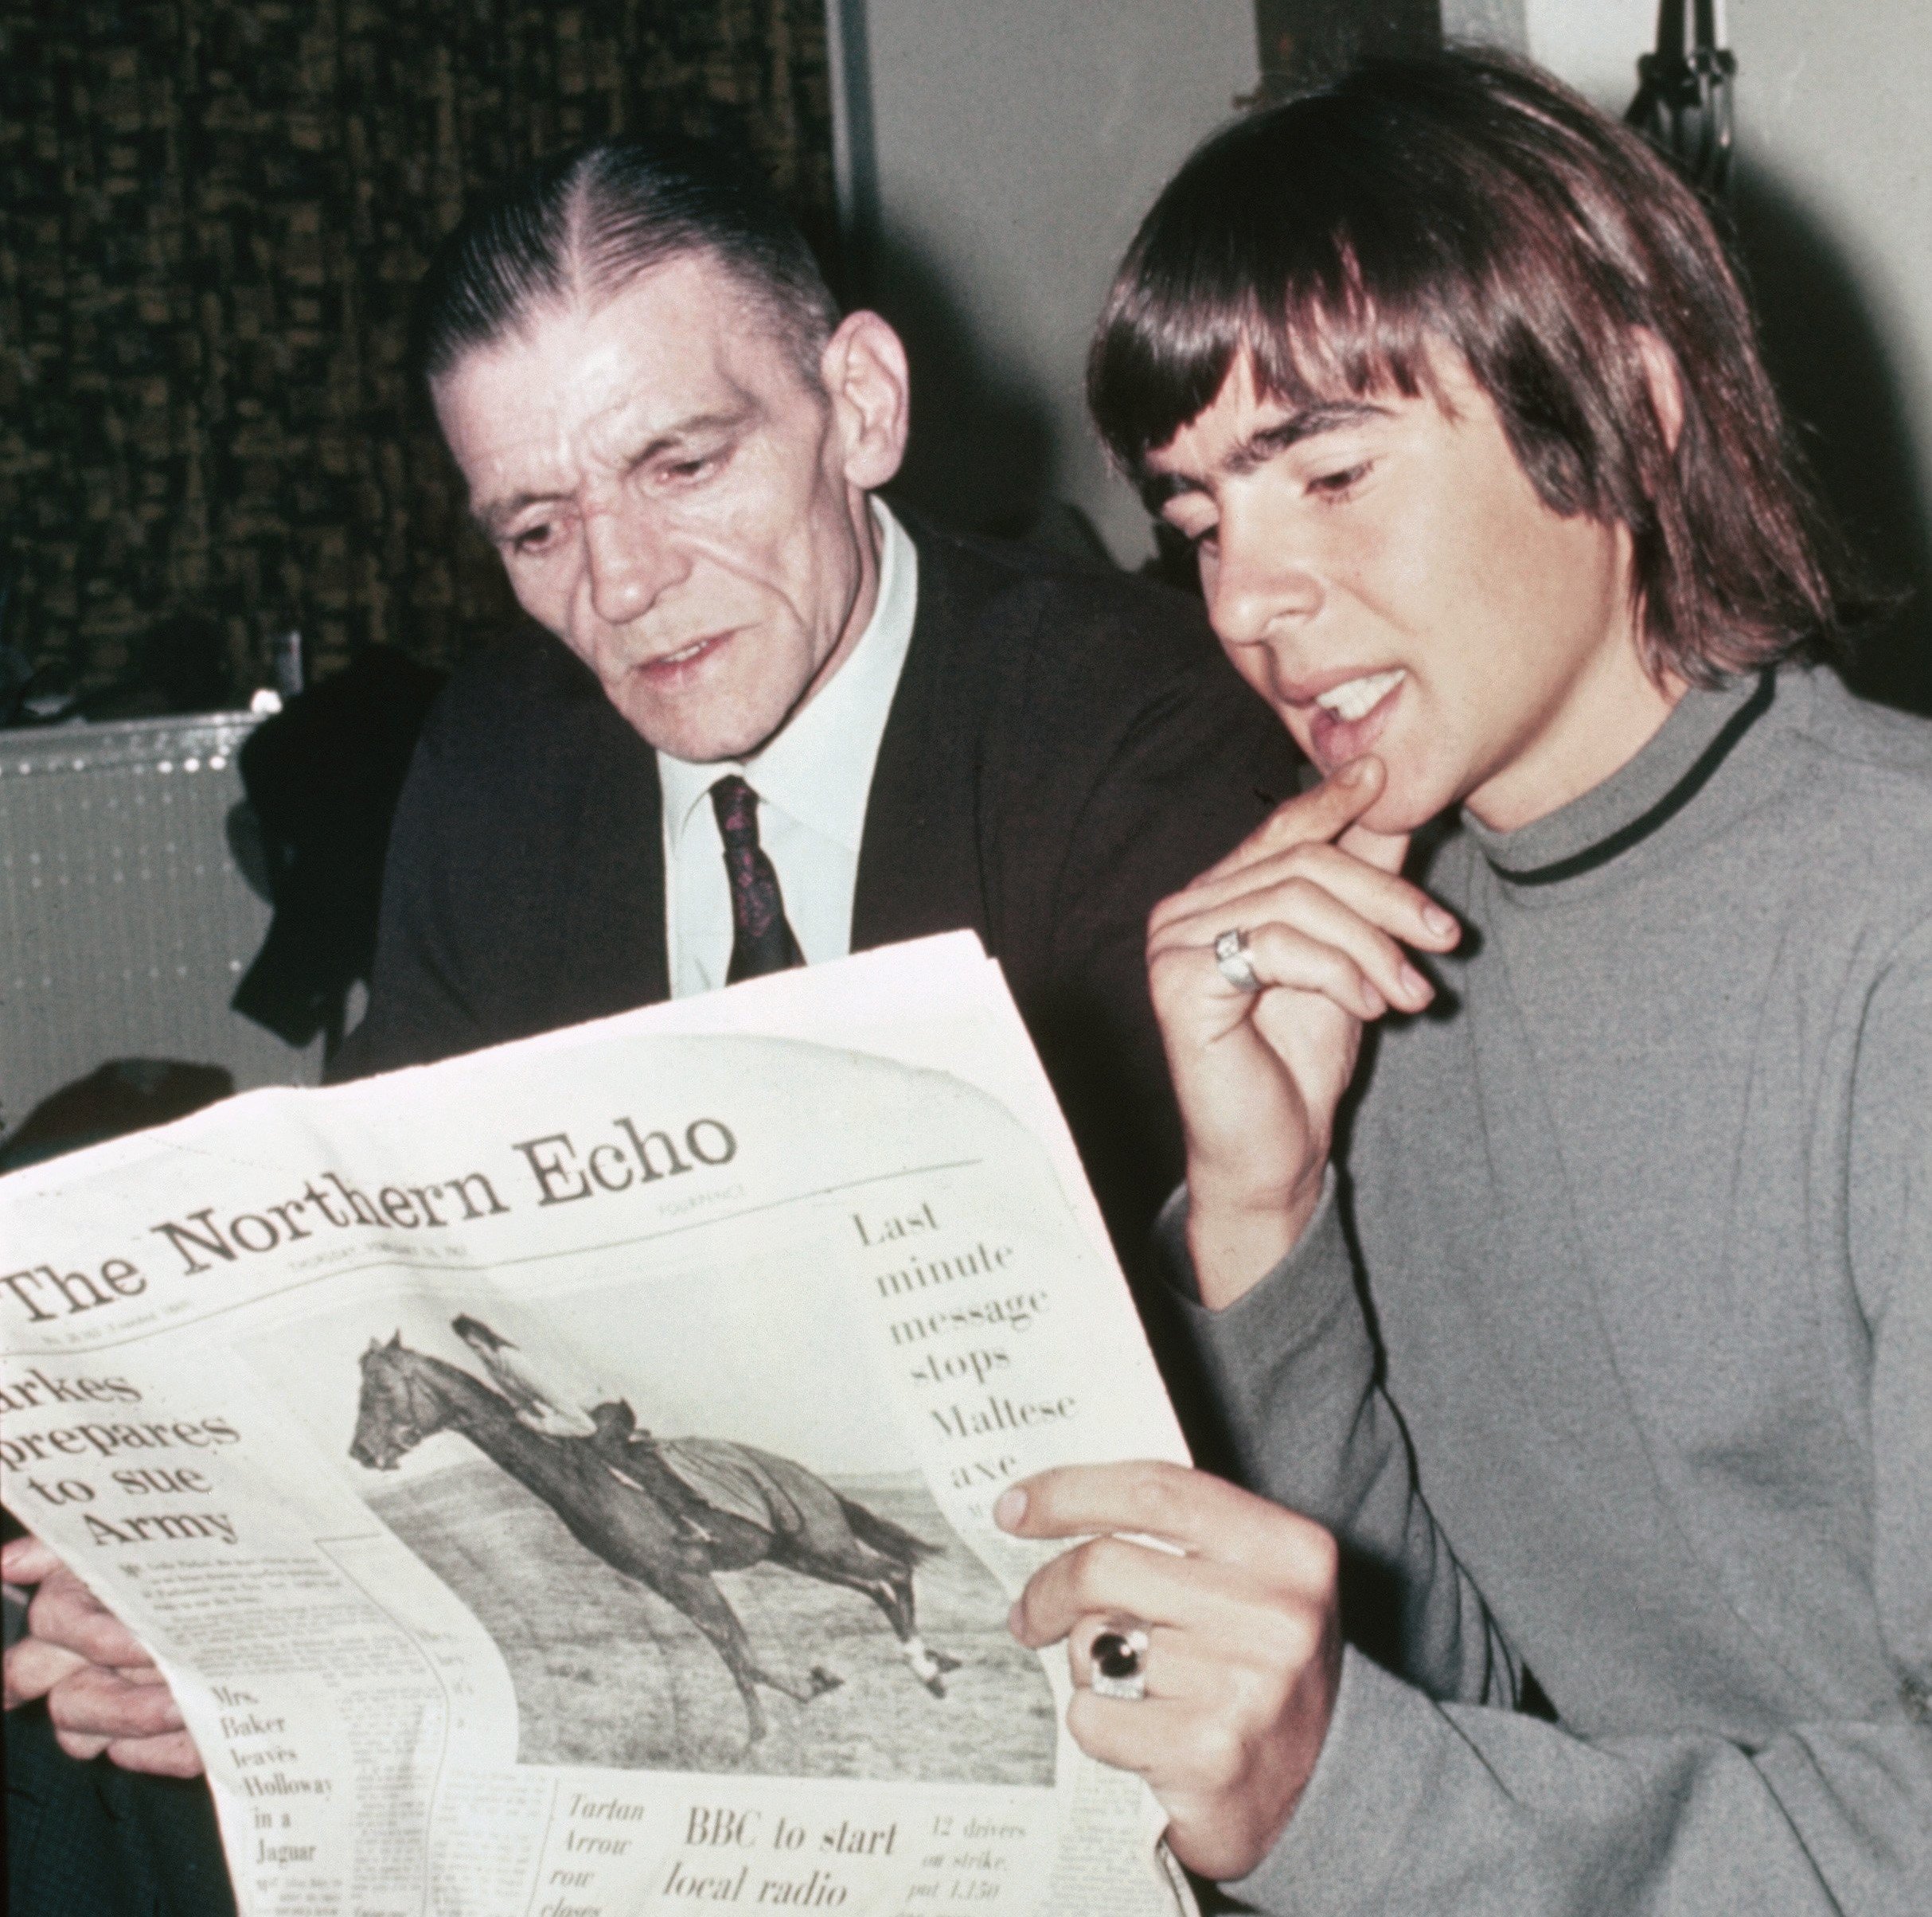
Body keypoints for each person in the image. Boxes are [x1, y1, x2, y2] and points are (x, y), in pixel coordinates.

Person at [2, 131, 1296, 1892]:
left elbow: (1239, 1400)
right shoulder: (494, 765)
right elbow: (382, 1295)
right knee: (66, 1736)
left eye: (681, 463)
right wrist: (232, 1610)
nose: (617, 588)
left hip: (1086, 1635)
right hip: (627, 1602)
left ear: (859, 406)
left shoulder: (1138, 740)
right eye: (536, 527)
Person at [994, 49, 1932, 1915]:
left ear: (1624, 408)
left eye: (1327, 473)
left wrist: (1350, 1800)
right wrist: (1264, 1210)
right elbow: (1448, 1682)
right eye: (1194, 525)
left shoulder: (1892, 936)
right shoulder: (1377, 935)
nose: (1247, 600)